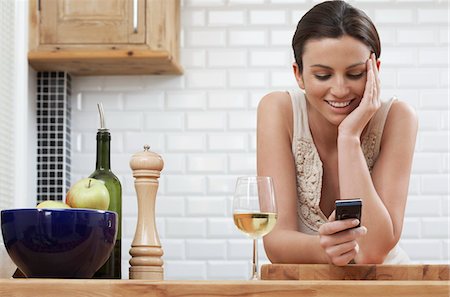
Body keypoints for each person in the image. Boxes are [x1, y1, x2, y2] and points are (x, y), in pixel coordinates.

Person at [257, 0, 418, 265]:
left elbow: (373, 251)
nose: (340, 89)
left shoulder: (398, 118)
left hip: (385, 283)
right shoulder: (278, 109)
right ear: (299, 75)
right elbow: (275, 242)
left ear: (374, 70)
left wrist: (349, 137)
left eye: (355, 74)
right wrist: (324, 249)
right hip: (309, 285)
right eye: (323, 75)